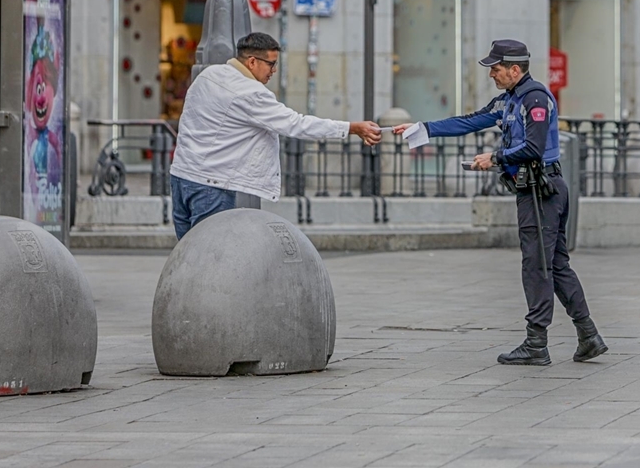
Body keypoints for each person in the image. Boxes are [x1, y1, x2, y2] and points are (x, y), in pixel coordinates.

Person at [393, 39, 607, 366]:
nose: (491, 73)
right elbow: (469, 121)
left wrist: (494, 158)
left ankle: (537, 343)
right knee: (556, 265)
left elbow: (534, 148)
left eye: (496, 68)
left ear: (515, 69)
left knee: (536, 266)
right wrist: (420, 130)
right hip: (538, 190)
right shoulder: (509, 100)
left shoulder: (533, 98)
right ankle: (589, 336)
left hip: (541, 191)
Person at [169, 32, 381, 239]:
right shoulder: (251, 93)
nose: (274, 70)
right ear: (252, 62)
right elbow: (296, 124)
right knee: (211, 259)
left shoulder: (208, 75)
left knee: (189, 258)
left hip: (181, 176)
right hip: (211, 185)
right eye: (271, 64)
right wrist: (351, 128)